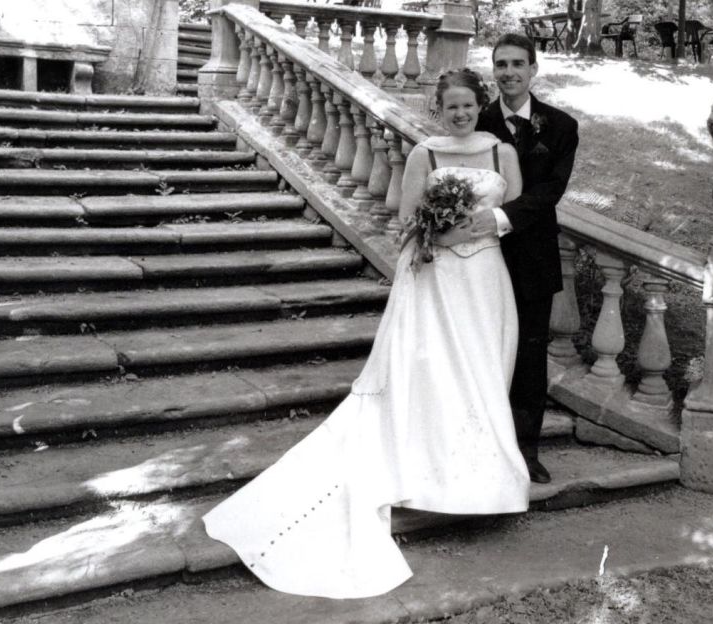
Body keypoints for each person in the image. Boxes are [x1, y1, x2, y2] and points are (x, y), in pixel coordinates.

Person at [202, 69, 527, 599]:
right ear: (438, 109)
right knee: (434, 367)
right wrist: (439, 233)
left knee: (484, 367)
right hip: (438, 277)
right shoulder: (425, 153)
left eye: (469, 106)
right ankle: (429, 470)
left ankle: (484, 482)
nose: (461, 114)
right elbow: (408, 219)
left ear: (481, 105)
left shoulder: (501, 153)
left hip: (486, 277)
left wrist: (487, 227)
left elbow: (516, 212)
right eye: (452, 107)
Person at [456, 32, 580, 484]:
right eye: (500, 64)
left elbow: (550, 192)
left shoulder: (561, 126)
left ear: (533, 69)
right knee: (479, 352)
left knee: (529, 359)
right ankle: (475, 444)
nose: (508, 72)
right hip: (476, 258)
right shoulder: (474, 118)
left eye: (516, 64)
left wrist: (499, 218)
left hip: (531, 258)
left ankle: (525, 451)